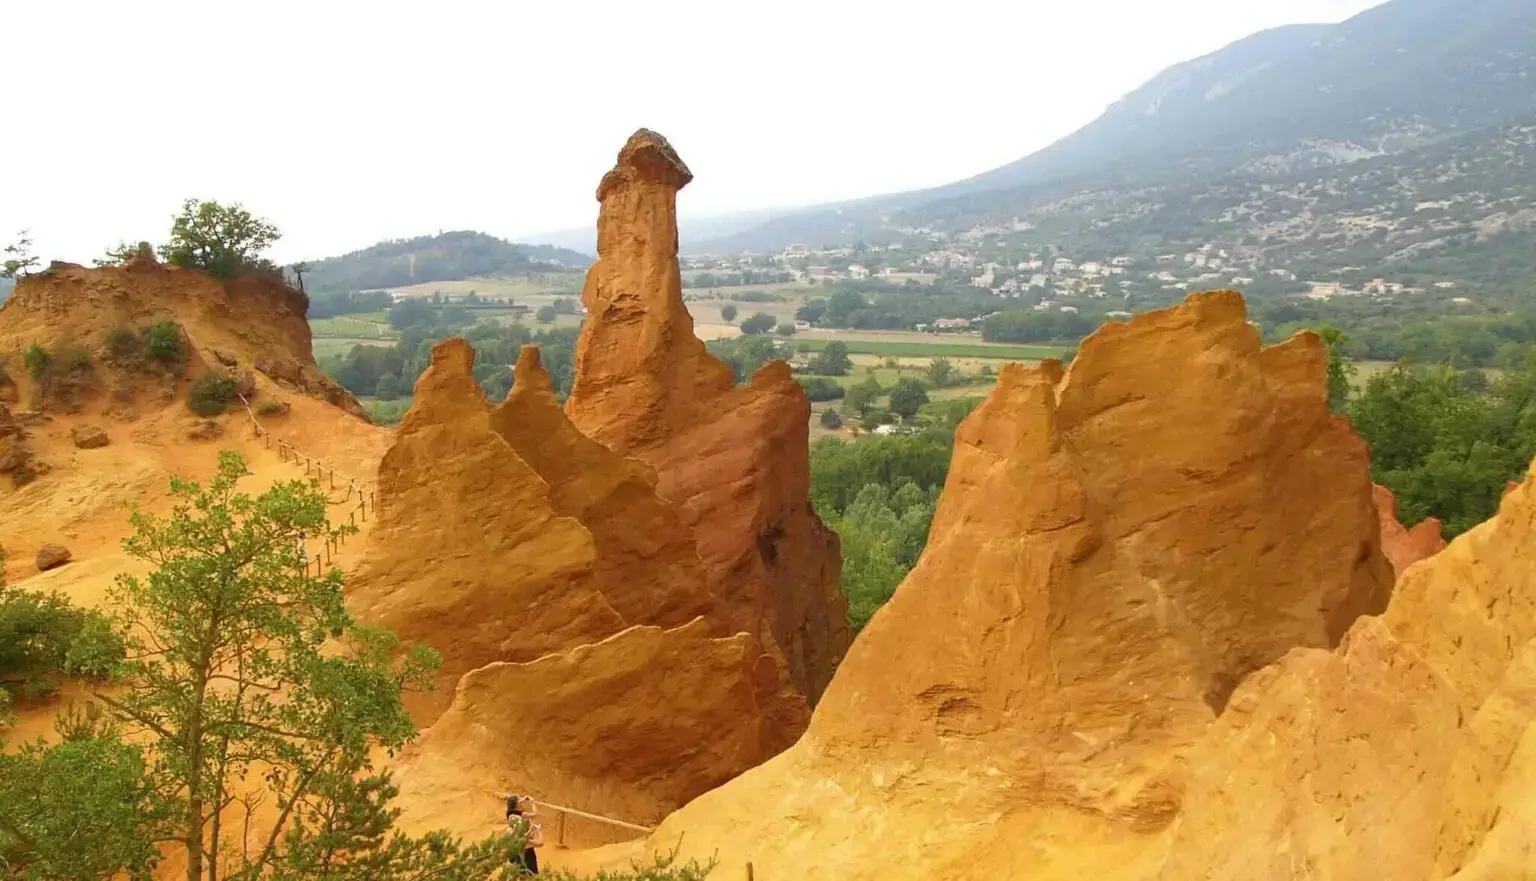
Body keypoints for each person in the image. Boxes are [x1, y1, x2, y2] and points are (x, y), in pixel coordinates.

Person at [505, 793, 544, 874]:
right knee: (531, 874)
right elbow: (540, 843)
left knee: (518, 872)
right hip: (527, 854)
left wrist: (524, 799)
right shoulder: (526, 841)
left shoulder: (510, 813)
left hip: (517, 851)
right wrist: (532, 802)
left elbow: (517, 802)